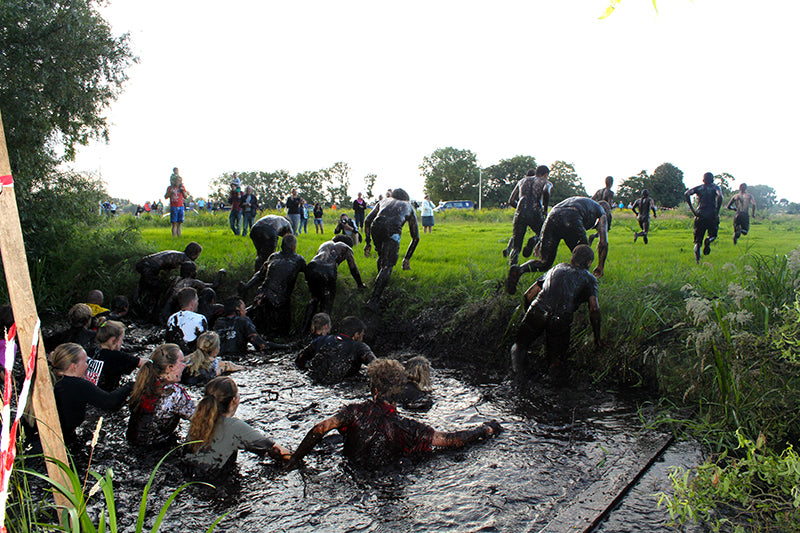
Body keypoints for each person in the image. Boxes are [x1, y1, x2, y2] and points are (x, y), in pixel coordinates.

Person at [286, 359, 502, 469]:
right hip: (387, 475)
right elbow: (452, 440)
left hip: (350, 471)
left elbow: (320, 428)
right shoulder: (408, 427)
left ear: (375, 390)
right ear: (399, 391)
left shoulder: (353, 411)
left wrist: (295, 459)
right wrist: (484, 428)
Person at [510, 245, 602, 381]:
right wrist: (597, 338)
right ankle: (554, 390)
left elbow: (528, 295)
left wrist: (529, 318)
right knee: (556, 360)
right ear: (589, 263)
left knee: (520, 346)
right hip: (561, 319)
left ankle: (518, 379)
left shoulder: (556, 268)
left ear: (572, 258)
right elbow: (594, 309)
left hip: (538, 310)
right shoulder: (590, 279)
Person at [185, 376, 291, 478]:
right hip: (215, 484)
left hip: (188, 478)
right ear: (234, 400)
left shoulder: (198, 421)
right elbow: (277, 449)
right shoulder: (234, 426)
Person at [505, 197, 610, 294]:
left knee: (545, 262)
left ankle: (519, 270)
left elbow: (559, 214)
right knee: (583, 259)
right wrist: (600, 265)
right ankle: (577, 293)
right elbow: (603, 243)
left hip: (553, 215)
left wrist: (541, 242)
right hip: (572, 217)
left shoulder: (584, 202)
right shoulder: (602, 212)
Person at [50, 343, 133, 446]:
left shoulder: (51, 379)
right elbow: (110, 402)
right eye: (85, 362)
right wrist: (131, 385)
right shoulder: (78, 385)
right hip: (60, 441)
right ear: (74, 366)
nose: (87, 365)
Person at [127, 344, 195, 447]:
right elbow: (198, 417)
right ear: (170, 367)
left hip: (131, 444)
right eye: (181, 362)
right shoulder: (175, 394)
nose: (184, 365)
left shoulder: (143, 381)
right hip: (157, 450)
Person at [363, 188, 420, 309]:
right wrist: (407, 259)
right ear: (406, 198)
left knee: (381, 256)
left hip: (376, 226)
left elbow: (367, 220)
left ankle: (380, 286)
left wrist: (368, 242)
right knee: (387, 265)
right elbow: (416, 237)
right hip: (392, 229)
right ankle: (374, 299)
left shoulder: (383, 201)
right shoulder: (408, 206)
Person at [241, 234, 306, 338]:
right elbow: (307, 273)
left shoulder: (273, 256)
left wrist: (247, 285)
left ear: (281, 246)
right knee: (282, 331)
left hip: (262, 295)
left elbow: (260, 274)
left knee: (257, 321)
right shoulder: (299, 260)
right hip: (280, 300)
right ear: (294, 247)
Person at [303, 236, 366, 326]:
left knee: (315, 298)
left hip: (312, 266)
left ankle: (304, 329)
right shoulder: (346, 248)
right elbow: (353, 268)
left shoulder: (324, 244)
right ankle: (323, 332)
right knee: (327, 303)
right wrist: (360, 284)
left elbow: (319, 261)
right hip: (328, 271)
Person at [295, 316, 377, 384]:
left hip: (310, 381)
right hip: (340, 387)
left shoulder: (322, 340)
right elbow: (378, 366)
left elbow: (300, 358)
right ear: (356, 334)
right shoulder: (359, 347)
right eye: (362, 334)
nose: (362, 337)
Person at [134, 242, 203, 318]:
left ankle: (139, 306)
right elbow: (189, 273)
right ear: (194, 254)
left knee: (144, 287)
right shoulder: (185, 259)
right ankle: (150, 311)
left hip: (144, 263)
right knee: (156, 290)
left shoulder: (179, 254)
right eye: (197, 255)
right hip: (150, 267)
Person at [505, 166, 553, 264]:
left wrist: (520, 208)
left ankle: (512, 269)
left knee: (516, 246)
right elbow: (546, 192)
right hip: (535, 211)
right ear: (546, 174)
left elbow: (511, 201)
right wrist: (544, 209)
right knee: (543, 234)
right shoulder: (546, 182)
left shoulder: (522, 181)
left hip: (520, 212)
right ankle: (533, 240)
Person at [160, 260, 225, 322]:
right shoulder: (192, 282)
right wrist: (220, 273)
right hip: (176, 308)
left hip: (165, 308)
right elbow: (214, 286)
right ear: (192, 273)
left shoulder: (176, 279)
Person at [214, 297, 278, 357]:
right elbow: (261, 345)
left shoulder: (218, 322)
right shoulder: (243, 321)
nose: (245, 311)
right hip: (238, 359)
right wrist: (285, 346)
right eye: (244, 308)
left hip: (220, 358)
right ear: (237, 310)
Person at [93, 320, 146, 391]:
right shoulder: (116, 357)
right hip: (108, 396)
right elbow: (143, 363)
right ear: (113, 340)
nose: (122, 342)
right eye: (121, 339)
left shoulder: (93, 351)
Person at [685, 172, 723, 264]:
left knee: (698, 241)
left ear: (703, 179)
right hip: (711, 214)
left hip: (700, 214)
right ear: (712, 179)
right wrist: (717, 212)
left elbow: (687, 193)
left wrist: (693, 210)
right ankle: (709, 240)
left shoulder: (699, 188)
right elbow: (720, 196)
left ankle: (697, 261)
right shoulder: (715, 188)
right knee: (713, 235)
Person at [166, 287, 209, 353]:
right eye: (197, 300)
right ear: (192, 302)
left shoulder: (171, 319)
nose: (197, 303)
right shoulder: (200, 319)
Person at [588, 176, 615, 244]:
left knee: (600, 229)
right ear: (611, 183)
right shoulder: (610, 192)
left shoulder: (599, 191)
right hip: (605, 213)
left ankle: (593, 236)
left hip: (597, 212)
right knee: (605, 230)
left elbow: (591, 200)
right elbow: (609, 204)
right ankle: (597, 239)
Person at [166, 168, 189, 237]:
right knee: (174, 223)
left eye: (179, 181)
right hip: (173, 206)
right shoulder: (170, 188)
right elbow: (166, 196)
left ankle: (179, 236)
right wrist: (170, 193)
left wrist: (183, 191)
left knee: (179, 223)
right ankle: (174, 236)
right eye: (177, 180)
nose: (178, 182)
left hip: (181, 206)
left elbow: (185, 196)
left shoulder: (182, 187)